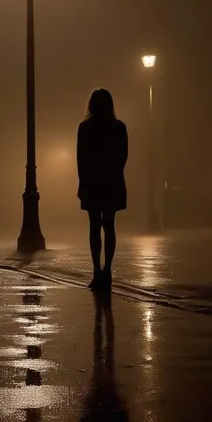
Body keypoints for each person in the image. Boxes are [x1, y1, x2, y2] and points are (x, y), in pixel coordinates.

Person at [77, 88, 128, 289]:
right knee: (109, 225)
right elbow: (123, 156)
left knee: (94, 226)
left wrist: (83, 182)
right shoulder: (119, 127)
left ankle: (96, 270)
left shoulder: (85, 127)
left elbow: (81, 159)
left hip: (92, 182)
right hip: (112, 181)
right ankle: (108, 270)